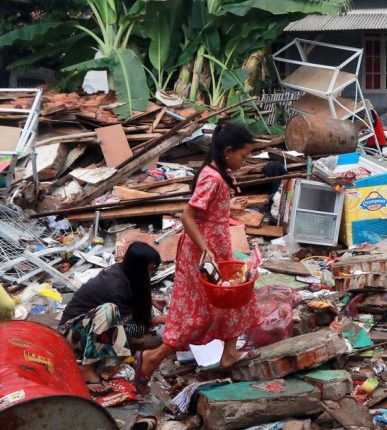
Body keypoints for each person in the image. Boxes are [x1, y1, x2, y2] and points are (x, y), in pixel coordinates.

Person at [134, 122, 265, 390]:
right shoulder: (212, 177)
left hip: (216, 248)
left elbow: (208, 212)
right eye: (243, 155)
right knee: (196, 315)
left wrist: (227, 208)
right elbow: (188, 216)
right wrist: (206, 249)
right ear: (228, 151)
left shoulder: (217, 174)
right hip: (203, 254)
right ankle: (152, 358)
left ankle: (228, 353)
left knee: (235, 297)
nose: (245, 160)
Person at [58, 242, 164, 393]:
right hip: (72, 334)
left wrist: (151, 302)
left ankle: (109, 353)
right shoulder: (114, 286)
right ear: (138, 267)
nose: (152, 274)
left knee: (144, 316)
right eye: (151, 269)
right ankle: (87, 368)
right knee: (111, 311)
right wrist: (156, 320)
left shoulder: (123, 273)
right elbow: (128, 329)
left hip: (86, 326)